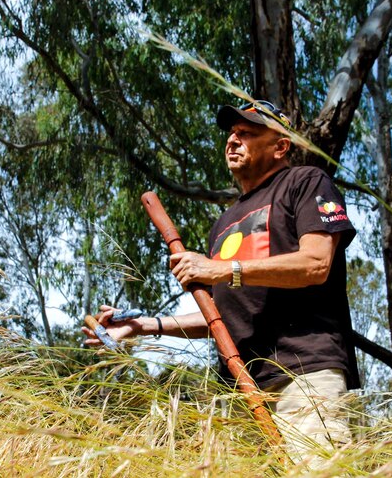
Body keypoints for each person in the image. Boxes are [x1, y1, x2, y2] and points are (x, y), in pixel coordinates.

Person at [82, 100, 359, 466]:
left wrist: (222, 271)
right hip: (241, 391)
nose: (233, 140)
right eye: (231, 133)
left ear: (280, 146)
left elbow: (316, 263)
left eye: (246, 133)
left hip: (304, 378)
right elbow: (223, 319)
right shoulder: (225, 222)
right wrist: (144, 326)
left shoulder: (305, 182)